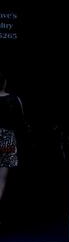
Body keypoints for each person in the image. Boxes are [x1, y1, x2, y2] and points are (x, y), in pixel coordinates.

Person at [0, 71, 26, 226]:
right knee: (2, 179)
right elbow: (21, 122)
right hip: (8, 138)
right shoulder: (14, 100)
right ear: (4, 82)